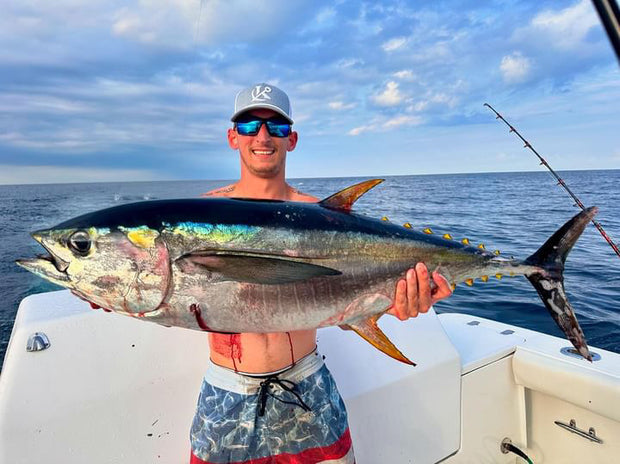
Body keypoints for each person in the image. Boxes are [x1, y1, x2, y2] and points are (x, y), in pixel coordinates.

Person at [189, 83, 453, 464]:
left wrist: (390, 304)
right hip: (226, 389)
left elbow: (341, 306)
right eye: (250, 126)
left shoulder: (323, 214)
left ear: (291, 139)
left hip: (306, 385)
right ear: (233, 137)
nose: (263, 137)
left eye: (276, 128)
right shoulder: (199, 216)